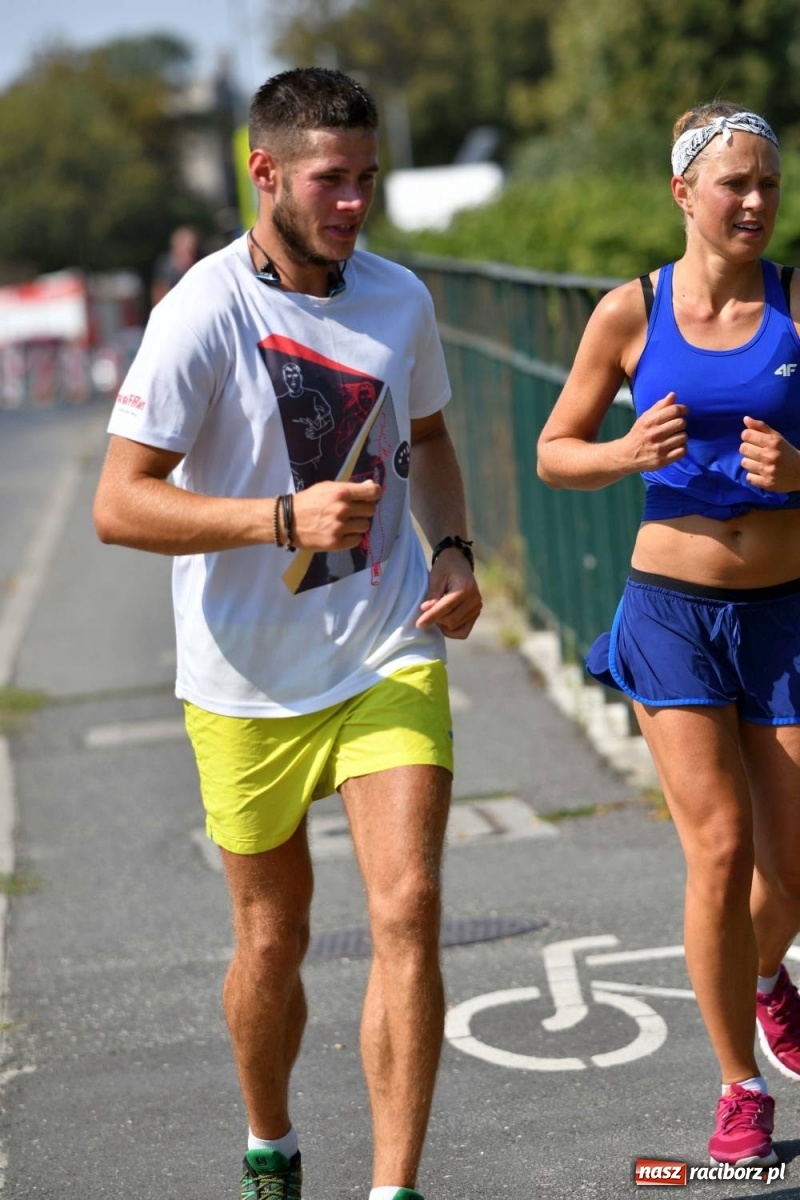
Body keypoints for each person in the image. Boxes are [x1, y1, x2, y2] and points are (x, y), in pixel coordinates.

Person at [93, 66, 481, 1200]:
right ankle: (271, 1137)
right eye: (330, 180)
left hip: (382, 647)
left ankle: (392, 1188)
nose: (354, 202)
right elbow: (121, 502)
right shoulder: (198, 315)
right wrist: (278, 518)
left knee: (406, 908)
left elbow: (434, 442)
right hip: (245, 677)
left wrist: (451, 551)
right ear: (263, 173)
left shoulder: (399, 299)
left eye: (367, 178)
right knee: (273, 942)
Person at [537, 101, 800, 1168]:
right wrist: (620, 454)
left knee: (789, 873)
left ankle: (758, 974)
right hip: (669, 615)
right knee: (719, 849)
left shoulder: (795, 304)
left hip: (781, 614)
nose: (751, 202)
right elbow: (556, 448)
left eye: (767, 185)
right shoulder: (627, 312)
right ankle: (737, 1086)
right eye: (732, 183)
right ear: (682, 192)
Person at [150, 225, 201, 305]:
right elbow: (159, 291)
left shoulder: (200, 263)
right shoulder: (165, 265)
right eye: (187, 249)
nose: (190, 252)